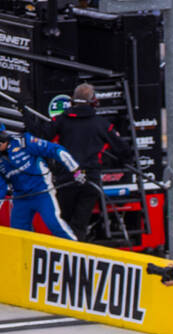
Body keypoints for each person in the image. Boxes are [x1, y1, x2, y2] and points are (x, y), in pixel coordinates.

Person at [26, 83, 132, 240]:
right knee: (80, 224)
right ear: (93, 101)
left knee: (63, 223)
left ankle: (63, 255)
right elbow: (123, 149)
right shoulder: (101, 124)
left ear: (73, 101)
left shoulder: (61, 120)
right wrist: (125, 161)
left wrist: (25, 115)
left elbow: (41, 135)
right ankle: (77, 255)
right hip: (90, 180)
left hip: (66, 179)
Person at [0, 124, 85, 240]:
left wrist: (75, 170)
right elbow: (1, 188)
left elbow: (55, 150)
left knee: (54, 224)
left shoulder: (24, 141)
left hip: (42, 191)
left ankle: (75, 250)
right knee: (17, 233)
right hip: (21, 197)